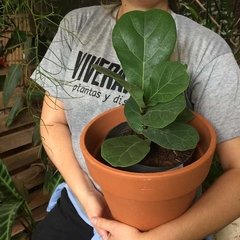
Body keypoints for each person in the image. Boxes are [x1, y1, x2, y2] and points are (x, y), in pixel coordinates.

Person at [31, 0, 240, 239]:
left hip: (169, 225)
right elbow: (53, 122)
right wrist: (89, 198)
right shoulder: (78, 25)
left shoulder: (208, 50)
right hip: (81, 208)